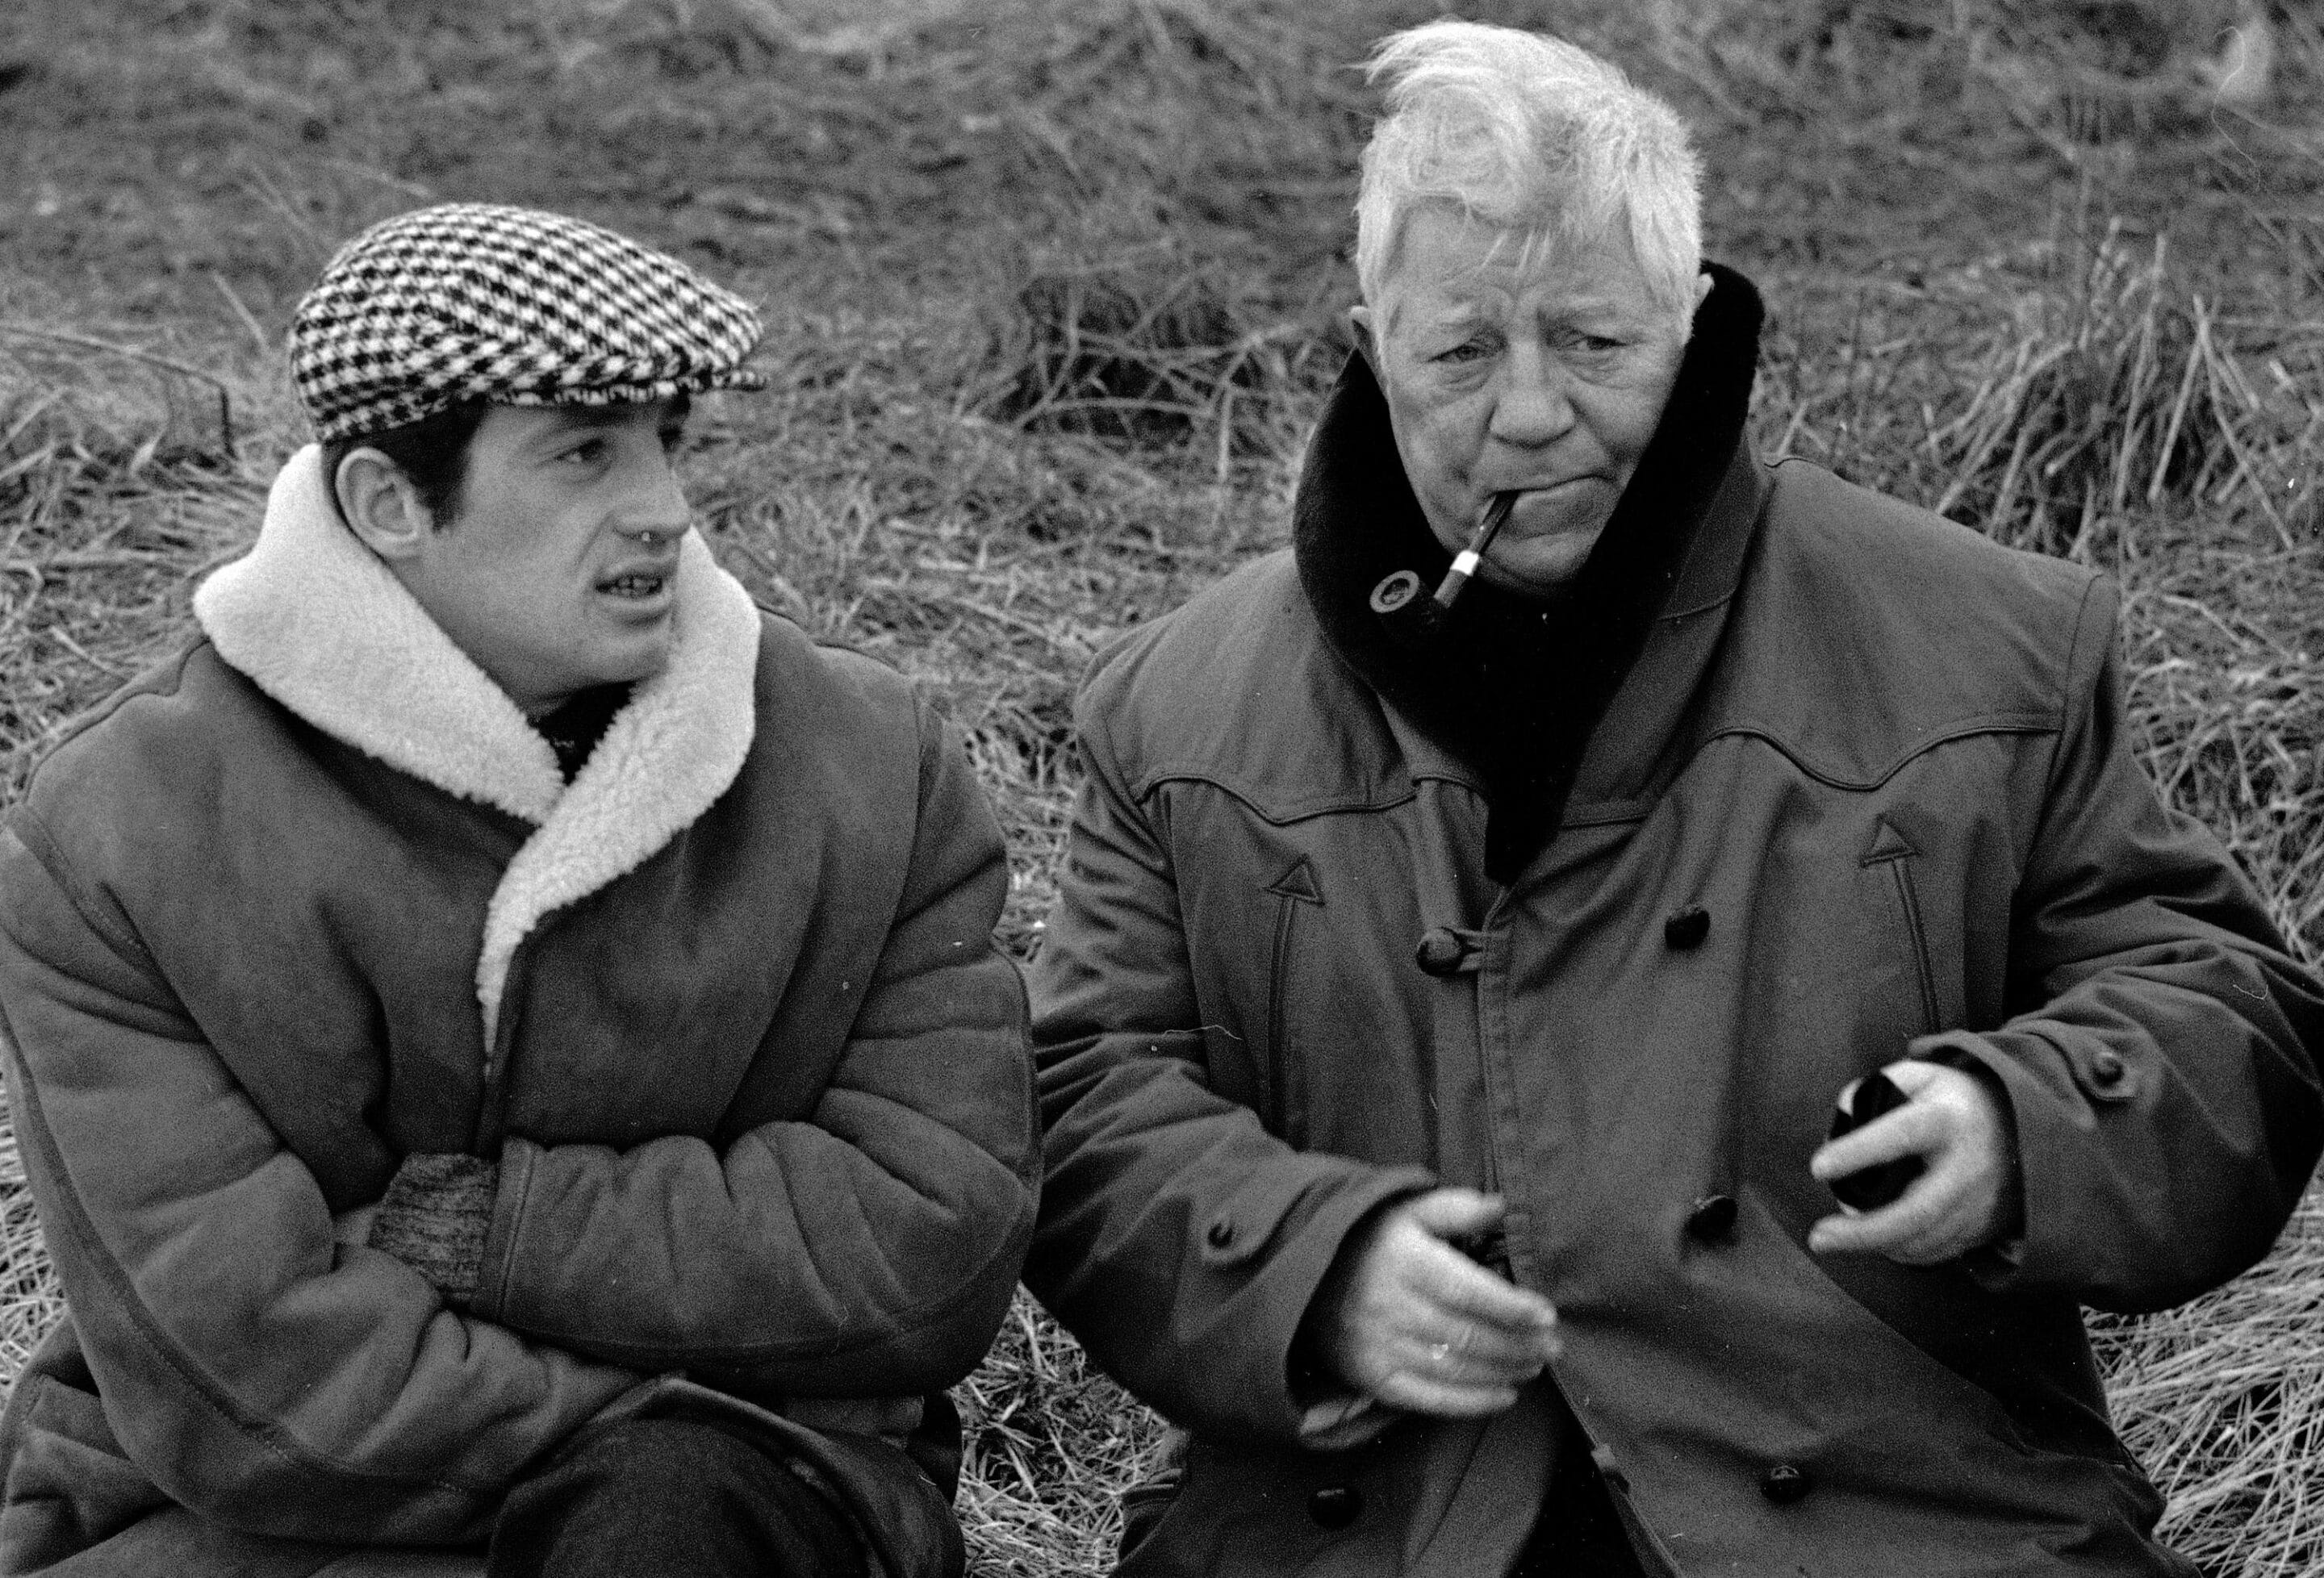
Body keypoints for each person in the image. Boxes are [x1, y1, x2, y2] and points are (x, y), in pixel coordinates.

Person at [1021, 21, 2324, 1576]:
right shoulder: (1176, 708)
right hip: (1367, 1528)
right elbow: (1080, 1097)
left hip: (1904, 1516)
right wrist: (1308, 1265)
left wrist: (2023, 1123)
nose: (1528, 415)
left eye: (1592, 343)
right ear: (1368, 343)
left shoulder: (1993, 644)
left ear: (1692, 324)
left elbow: (2223, 1007)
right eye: (1460, 354)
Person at [0, 203, 1037, 1577]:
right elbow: (251, 1385)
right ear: (389, 506)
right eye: (583, 454)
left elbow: (932, 1243)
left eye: (668, 441)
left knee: (664, 1529)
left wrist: (483, 1235)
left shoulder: (868, 763)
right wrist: (718, 1362)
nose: (663, 507)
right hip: (244, 1522)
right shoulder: (119, 833)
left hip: (738, 1499)